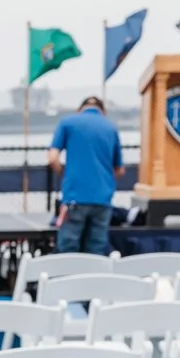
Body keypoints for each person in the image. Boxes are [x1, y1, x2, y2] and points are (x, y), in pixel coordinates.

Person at [50, 95, 123, 257]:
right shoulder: (111, 128)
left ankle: (68, 280)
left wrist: (65, 174)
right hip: (102, 199)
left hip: (74, 197)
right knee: (96, 250)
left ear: (79, 110)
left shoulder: (68, 123)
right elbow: (119, 169)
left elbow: (53, 158)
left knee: (68, 250)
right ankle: (92, 281)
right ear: (102, 112)